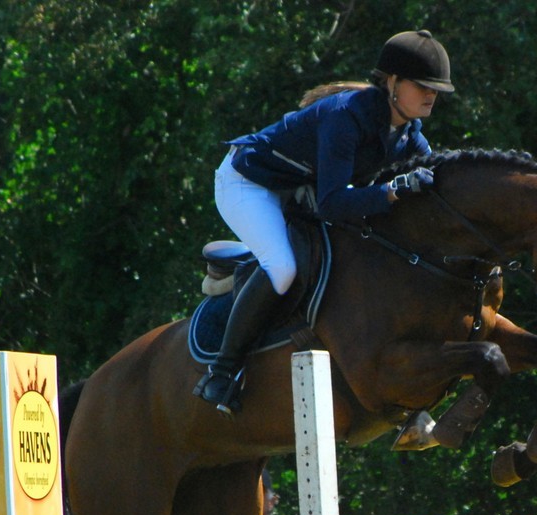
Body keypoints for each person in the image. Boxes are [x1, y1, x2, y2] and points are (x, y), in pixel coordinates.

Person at [194, 29, 454, 416]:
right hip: (248, 183)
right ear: (393, 83)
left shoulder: (410, 136)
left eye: (437, 89)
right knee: (283, 268)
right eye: (423, 86)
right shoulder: (345, 118)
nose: (432, 95)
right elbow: (334, 204)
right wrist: (391, 192)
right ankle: (221, 373)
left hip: (302, 189)